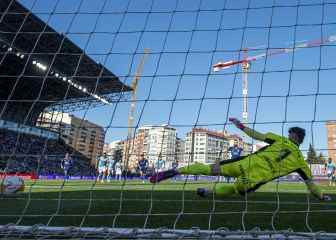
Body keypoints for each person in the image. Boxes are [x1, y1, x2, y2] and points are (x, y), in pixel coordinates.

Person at [149, 117, 331, 201]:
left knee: (210, 169)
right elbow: (310, 184)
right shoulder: (300, 160)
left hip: (245, 162)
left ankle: (177, 171)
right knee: (237, 190)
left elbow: (257, 135)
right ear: (300, 140)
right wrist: (322, 196)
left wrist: (240, 125)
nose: (289, 135)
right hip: (257, 176)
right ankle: (208, 192)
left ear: (294, 136)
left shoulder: (279, 139)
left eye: (290, 133)